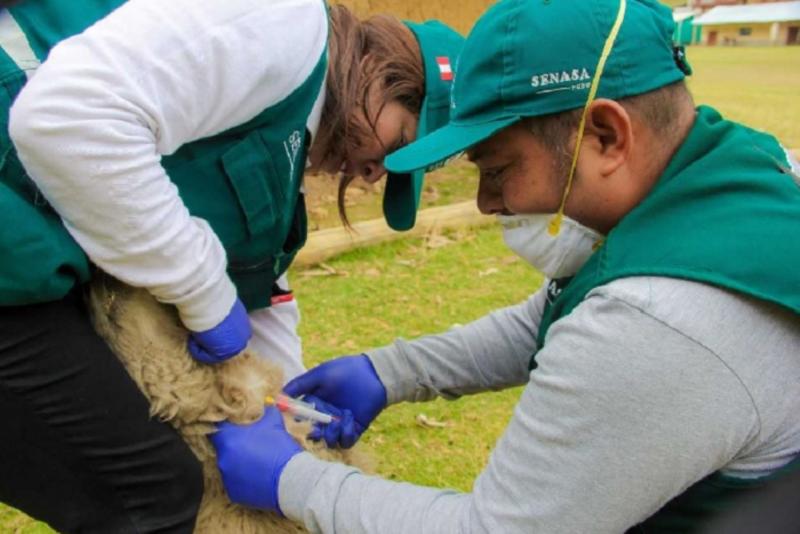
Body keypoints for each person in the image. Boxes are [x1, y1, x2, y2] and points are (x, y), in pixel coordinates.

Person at [209, 0, 800, 532]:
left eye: (497, 169)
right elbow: (555, 317)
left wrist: (293, 480)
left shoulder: (656, 321)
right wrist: (389, 371)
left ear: (606, 135)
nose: (489, 202)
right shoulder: (729, 185)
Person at [0, 0, 462, 531]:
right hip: (15, 250)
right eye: (399, 142)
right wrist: (204, 295)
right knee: (151, 495)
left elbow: (257, 282)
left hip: (25, 268)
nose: (374, 172)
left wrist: (287, 421)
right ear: (383, 70)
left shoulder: (285, 146)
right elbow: (64, 118)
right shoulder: (281, 22)